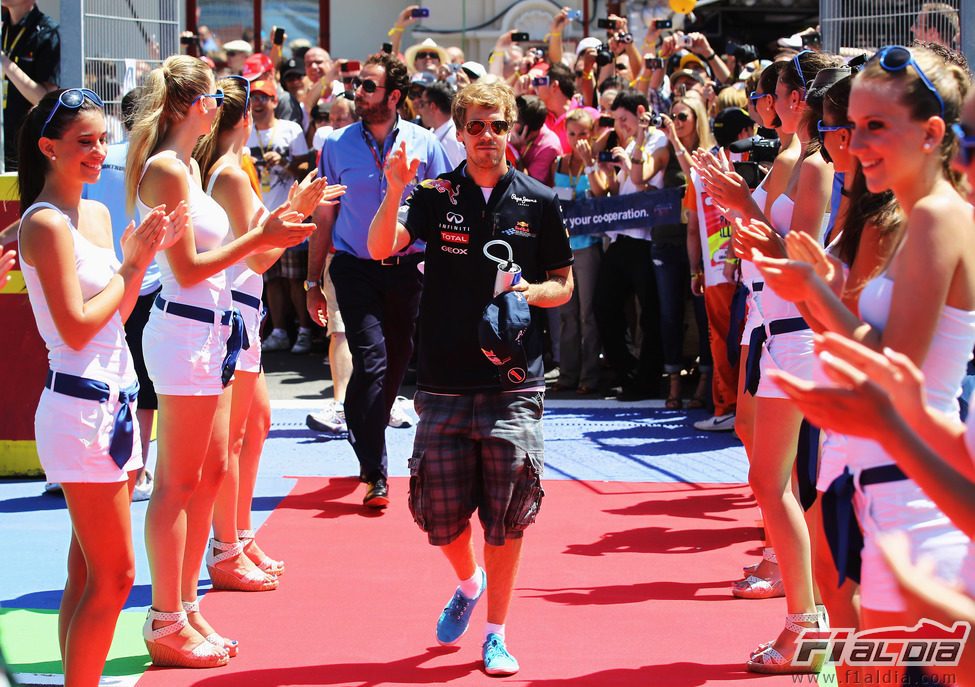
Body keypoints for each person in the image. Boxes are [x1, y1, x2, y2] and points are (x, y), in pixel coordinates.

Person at [750, 45, 974, 683]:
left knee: (888, 669)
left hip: (915, 494)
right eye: (849, 125)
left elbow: (893, 367)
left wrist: (813, 293)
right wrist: (821, 285)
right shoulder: (914, 215)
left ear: (932, 134)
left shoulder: (934, 217)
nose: (854, 142)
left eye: (876, 126)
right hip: (888, 476)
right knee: (865, 664)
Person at [367, 79, 573, 676]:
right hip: (443, 380)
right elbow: (382, 247)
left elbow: (564, 282)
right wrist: (394, 187)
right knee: (439, 517)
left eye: (497, 125)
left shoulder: (539, 199)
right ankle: (468, 581)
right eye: (476, 126)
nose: (487, 137)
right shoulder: (432, 194)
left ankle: (497, 633)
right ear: (459, 131)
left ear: (513, 130)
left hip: (515, 380)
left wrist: (529, 293)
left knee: (507, 514)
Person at [126, 54, 323, 667]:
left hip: (211, 335)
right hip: (185, 335)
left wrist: (277, 227)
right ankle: (166, 618)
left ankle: (184, 607)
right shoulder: (166, 169)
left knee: (207, 475)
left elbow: (230, 259)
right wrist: (265, 236)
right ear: (194, 105)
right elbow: (184, 270)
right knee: (178, 484)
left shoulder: (182, 165)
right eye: (213, 93)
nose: (224, 102)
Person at [17, 87, 181, 685]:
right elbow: (79, 327)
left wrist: (141, 260)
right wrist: (136, 264)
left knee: (87, 574)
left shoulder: (97, 214)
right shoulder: (42, 224)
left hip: (114, 406)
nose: (98, 151)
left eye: (101, 139)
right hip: (79, 411)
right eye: (84, 142)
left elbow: (114, 309)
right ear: (48, 148)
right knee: (114, 578)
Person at [194, 75, 346, 581]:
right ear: (240, 118)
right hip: (236, 309)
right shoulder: (231, 174)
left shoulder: (235, 169)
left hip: (244, 311)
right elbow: (259, 257)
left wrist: (295, 211)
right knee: (235, 438)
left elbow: (259, 240)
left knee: (254, 427)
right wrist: (300, 215)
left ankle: (237, 537)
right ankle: (226, 547)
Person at [307, 51, 451, 507]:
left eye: (368, 86)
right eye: (357, 84)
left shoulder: (426, 144)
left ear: (395, 96)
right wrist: (313, 282)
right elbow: (323, 215)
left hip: (408, 268)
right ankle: (376, 472)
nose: (357, 92)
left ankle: (360, 424)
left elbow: (446, 212)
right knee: (371, 361)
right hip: (353, 268)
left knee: (394, 364)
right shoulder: (335, 143)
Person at [82, 87, 157, 502]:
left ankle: (89, 465)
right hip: (142, 280)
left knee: (95, 371)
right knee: (141, 382)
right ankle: (140, 469)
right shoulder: (158, 162)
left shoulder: (100, 162)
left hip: (101, 283)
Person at [246, 79, 314, 355]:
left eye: (265, 97)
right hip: (257, 217)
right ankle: (279, 331)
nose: (259, 102)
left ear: (275, 102)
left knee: (294, 278)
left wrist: (285, 165)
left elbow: (307, 168)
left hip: (289, 213)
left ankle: (305, 331)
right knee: (269, 278)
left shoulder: (291, 129)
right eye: (254, 97)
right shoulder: (245, 131)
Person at [550, 108, 603, 395]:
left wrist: (590, 163)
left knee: (588, 314)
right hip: (563, 248)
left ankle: (590, 376)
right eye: (572, 133)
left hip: (589, 246)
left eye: (583, 133)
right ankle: (568, 374)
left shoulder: (596, 162)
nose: (577, 139)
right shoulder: (558, 162)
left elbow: (601, 194)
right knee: (566, 314)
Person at [1, 0, 60, 170]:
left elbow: (44, 99)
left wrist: (4, 61)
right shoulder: (2, 27)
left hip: (27, 147)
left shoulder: (47, 32)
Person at [414, 80, 466, 168]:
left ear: (432, 107)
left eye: (422, 104)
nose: (419, 110)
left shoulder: (455, 140)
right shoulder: (433, 132)